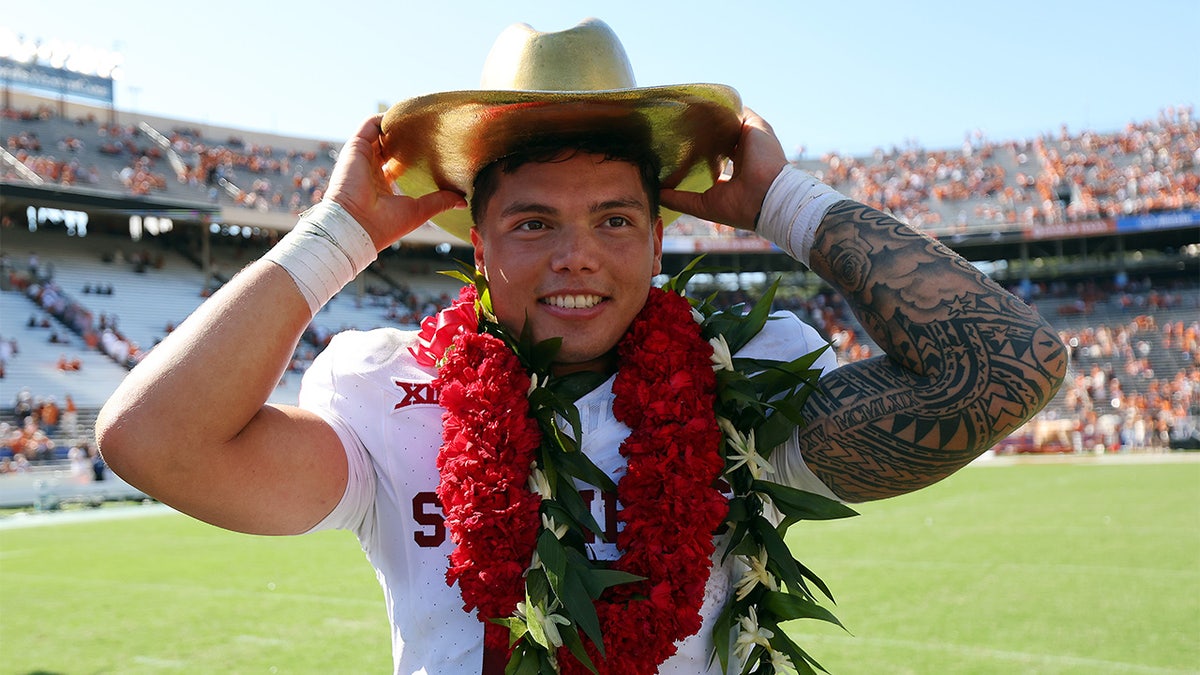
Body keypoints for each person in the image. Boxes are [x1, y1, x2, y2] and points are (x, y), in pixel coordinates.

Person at [96, 19, 1066, 675]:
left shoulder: (745, 384)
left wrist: (785, 202)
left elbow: (1004, 367)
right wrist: (339, 233)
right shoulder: (393, 390)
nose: (577, 258)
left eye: (613, 219)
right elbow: (153, 440)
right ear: (476, 244)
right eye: (531, 223)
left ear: (658, 236)